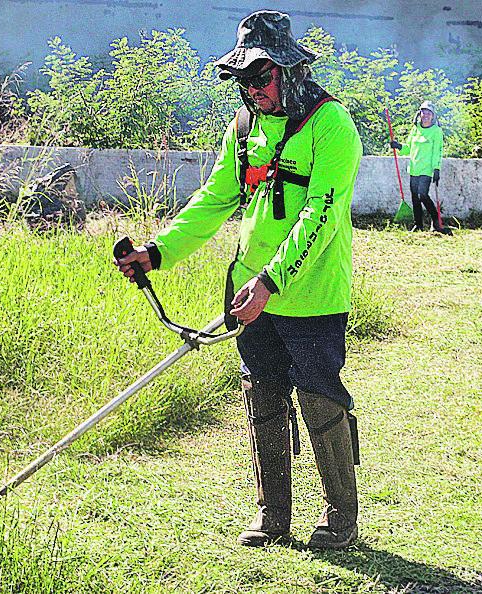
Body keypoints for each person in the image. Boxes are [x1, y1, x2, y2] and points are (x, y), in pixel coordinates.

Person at [115, 10, 363, 550]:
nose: (250, 89)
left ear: (289, 69)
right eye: (242, 79)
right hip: (250, 289)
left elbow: (319, 214)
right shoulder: (245, 127)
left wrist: (272, 283)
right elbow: (215, 199)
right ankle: (273, 516)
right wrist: (158, 253)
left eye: (259, 76)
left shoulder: (332, 126)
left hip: (313, 292)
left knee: (320, 398)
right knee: (264, 397)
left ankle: (341, 519)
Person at [390, 101, 449, 234]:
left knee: (423, 195)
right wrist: (398, 146)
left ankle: (436, 223)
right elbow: (408, 148)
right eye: (423, 112)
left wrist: (436, 168)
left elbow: (437, 152)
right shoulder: (415, 129)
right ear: (419, 114)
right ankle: (418, 225)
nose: (426, 115)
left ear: (433, 116)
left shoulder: (436, 131)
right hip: (414, 168)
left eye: (429, 113)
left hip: (426, 170)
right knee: (414, 197)